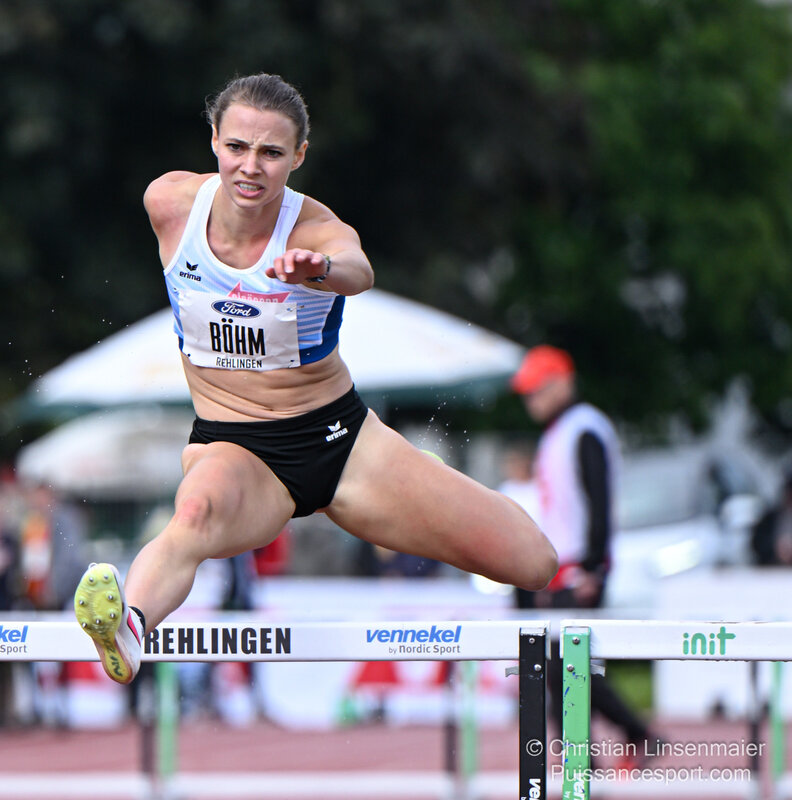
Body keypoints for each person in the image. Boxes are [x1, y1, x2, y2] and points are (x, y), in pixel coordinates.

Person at [74, 73, 558, 684]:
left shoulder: (314, 230)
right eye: (237, 147)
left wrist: (320, 269)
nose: (251, 167)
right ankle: (129, 625)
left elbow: (358, 270)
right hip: (236, 447)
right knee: (194, 513)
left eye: (271, 152)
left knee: (534, 562)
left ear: (298, 156)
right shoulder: (169, 205)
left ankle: (419, 487)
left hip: (343, 445)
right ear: (214, 141)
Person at [510, 344, 654, 760]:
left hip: (579, 569)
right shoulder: (560, 432)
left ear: (563, 383)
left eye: (538, 389)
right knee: (565, 671)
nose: (531, 400)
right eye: (528, 392)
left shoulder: (584, 428)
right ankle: (611, 749)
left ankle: (595, 759)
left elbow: (598, 500)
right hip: (563, 569)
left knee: (564, 671)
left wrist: (592, 568)